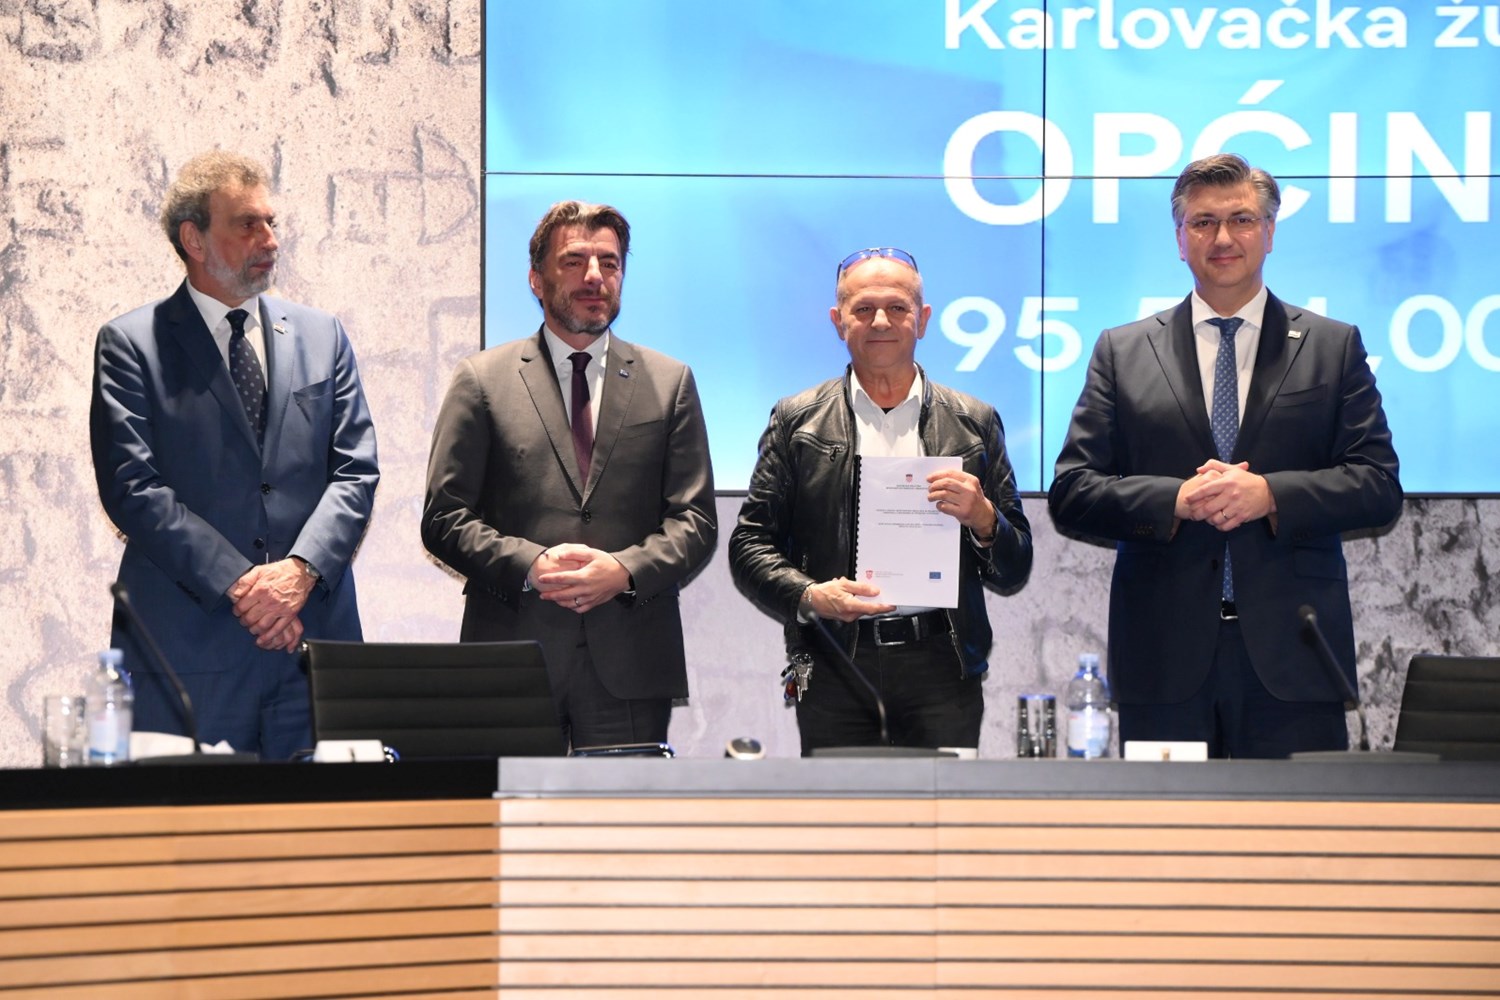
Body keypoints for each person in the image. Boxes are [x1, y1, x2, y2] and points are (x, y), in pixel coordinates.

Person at [1048, 153, 1402, 759]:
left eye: (1241, 219)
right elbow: (1073, 491)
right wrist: (1176, 501)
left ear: (1269, 232)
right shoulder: (1123, 351)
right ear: (1179, 239)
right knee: (1169, 824)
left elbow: (1377, 485)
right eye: (1203, 222)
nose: (1222, 238)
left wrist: (1270, 495)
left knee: (1296, 823)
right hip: (1163, 656)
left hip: (1295, 655)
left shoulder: (1332, 345)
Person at [90, 151, 379, 759]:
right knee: (194, 822)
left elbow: (356, 470)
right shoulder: (130, 344)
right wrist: (245, 587)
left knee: (329, 820)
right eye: (247, 224)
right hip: (190, 655)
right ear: (193, 239)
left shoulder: (322, 334)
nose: (269, 239)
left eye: (271, 222)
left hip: (314, 651)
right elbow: (132, 487)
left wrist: (298, 573)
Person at [422, 201, 716, 750]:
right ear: (536, 279)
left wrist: (624, 571)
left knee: (619, 811)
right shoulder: (482, 380)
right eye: (574, 261)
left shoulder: (670, 381)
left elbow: (695, 521)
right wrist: (531, 565)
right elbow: (444, 519)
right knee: (510, 810)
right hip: (511, 658)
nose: (594, 276)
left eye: (610, 262)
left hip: (630, 662)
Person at [729, 247, 1032, 756]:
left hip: (943, 665)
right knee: (841, 807)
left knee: (943, 807)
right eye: (864, 308)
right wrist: (810, 595)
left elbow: (1015, 566)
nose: (881, 322)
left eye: (897, 307)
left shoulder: (974, 421)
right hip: (835, 664)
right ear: (838, 321)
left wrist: (985, 520)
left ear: (923, 319)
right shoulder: (796, 420)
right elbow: (749, 544)